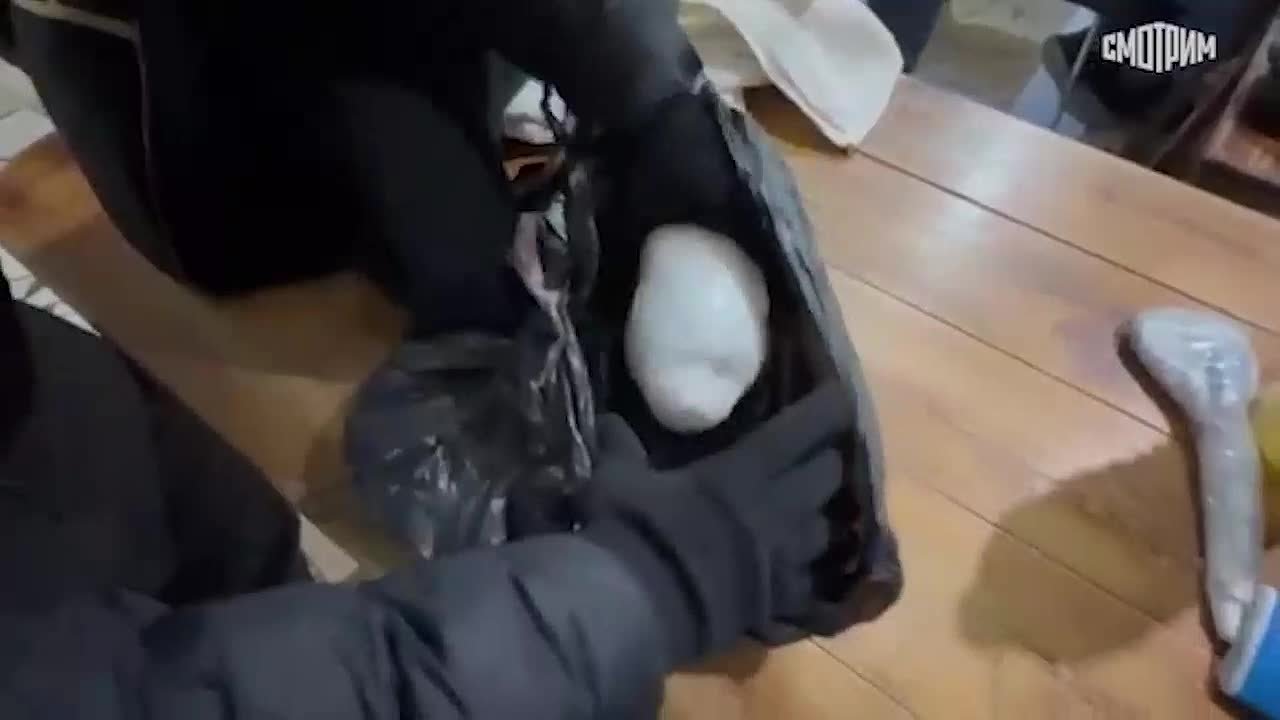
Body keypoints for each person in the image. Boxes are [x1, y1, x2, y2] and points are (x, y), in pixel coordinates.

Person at [0, 0, 859, 717]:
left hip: (45, 402)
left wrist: (647, 94)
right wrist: (632, 596)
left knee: (220, 526)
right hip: (176, 107)